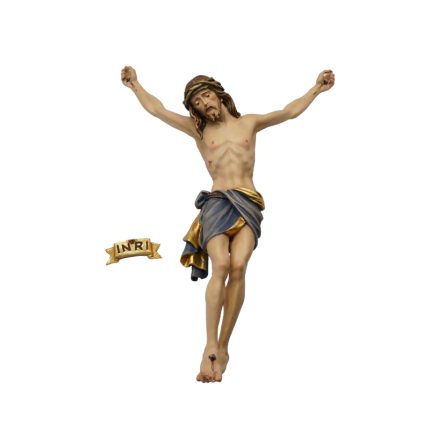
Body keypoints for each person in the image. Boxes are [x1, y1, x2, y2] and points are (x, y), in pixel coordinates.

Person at [121, 66, 335, 382]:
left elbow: (289, 112)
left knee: (238, 268)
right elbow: (158, 110)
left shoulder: (249, 123)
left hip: (247, 202)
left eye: (206, 96)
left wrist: (316, 88)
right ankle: (209, 343)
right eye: (196, 103)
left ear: (219, 95)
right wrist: (135, 85)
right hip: (217, 203)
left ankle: (223, 347)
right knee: (220, 265)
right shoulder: (199, 132)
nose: (203, 104)